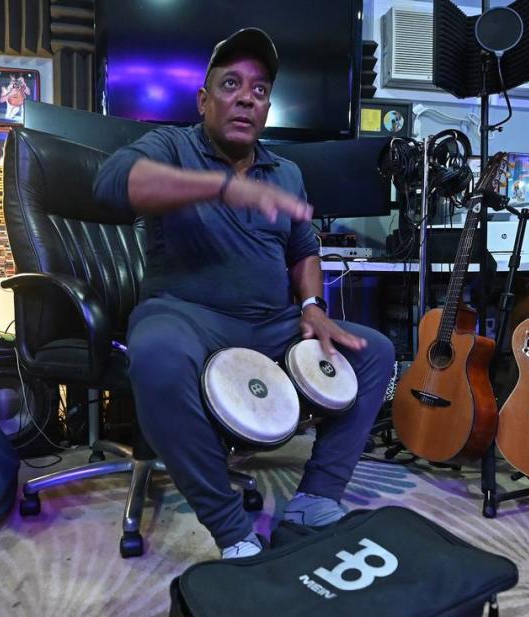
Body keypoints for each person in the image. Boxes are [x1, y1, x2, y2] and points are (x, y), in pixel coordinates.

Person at [93, 28, 394, 559]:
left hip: (272, 323)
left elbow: (304, 249)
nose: (246, 98)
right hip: (186, 315)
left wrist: (312, 306)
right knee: (157, 356)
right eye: (231, 84)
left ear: (267, 107)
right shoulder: (171, 145)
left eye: (259, 90)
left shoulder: (288, 172)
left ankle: (316, 497)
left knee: (374, 354)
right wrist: (222, 186)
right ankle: (233, 532)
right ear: (204, 100)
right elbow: (115, 184)